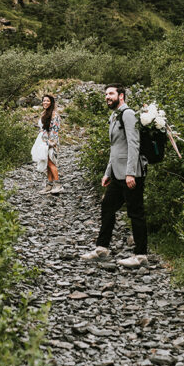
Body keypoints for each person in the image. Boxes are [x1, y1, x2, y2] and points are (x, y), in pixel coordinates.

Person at [81, 84, 148, 267]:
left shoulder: (128, 114)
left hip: (131, 174)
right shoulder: (113, 115)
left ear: (121, 96)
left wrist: (130, 173)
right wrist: (107, 172)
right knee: (107, 207)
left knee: (135, 212)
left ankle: (141, 255)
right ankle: (102, 248)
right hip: (117, 174)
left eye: (111, 94)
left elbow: (133, 144)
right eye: (106, 94)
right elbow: (115, 148)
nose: (107, 97)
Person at [38, 94, 63, 194]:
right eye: (44, 101)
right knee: (47, 164)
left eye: (47, 101)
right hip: (43, 141)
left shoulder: (54, 115)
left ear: (51, 103)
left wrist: (50, 142)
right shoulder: (44, 113)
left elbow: (55, 130)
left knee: (51, 163)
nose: (45, 102)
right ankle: (49, 185)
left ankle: (58, 185)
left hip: (51, 142)